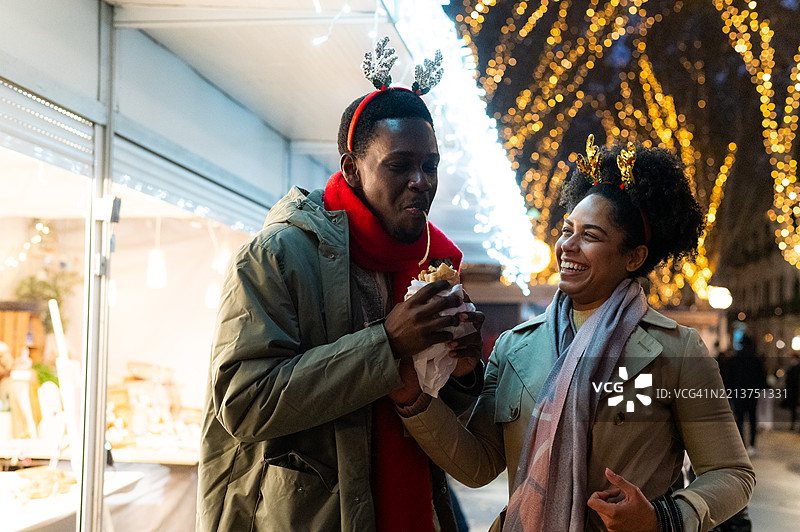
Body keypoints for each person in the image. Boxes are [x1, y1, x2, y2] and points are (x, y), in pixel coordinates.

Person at [196, 39, 484, 532]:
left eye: (430, 165)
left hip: (414, 510)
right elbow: (243, 403)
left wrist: (461, 372)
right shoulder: (276, 256)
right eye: (399, 165)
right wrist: (387, 343)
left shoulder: (435, 264)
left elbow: (432, 416)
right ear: (352, 168)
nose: (421, 180)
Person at [399, 137, 755, 531]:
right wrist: (414, 400)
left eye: (591, 236)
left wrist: (661, 518)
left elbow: (732, 472)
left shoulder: (675, 351)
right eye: (567, 230)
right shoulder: (515, 348)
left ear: (633, 257)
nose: (567, 245)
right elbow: (478, 464)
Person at [726, 334, 766, 454]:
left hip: (738, 394)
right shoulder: (756, 360)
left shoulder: (734, 360)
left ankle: (741, 444)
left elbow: (728, 379)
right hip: (752, 394)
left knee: (739, 420)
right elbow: (762, 379)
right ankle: (752, 445)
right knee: (753, 419)